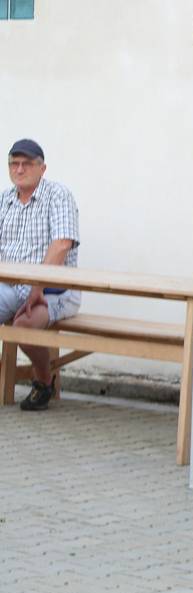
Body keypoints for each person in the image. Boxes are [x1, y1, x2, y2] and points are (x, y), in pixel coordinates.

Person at [1, 139, 81, 411]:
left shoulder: (58, 195)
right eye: (14, 163)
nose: (19, 169)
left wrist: (37, 286)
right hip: (9, 286)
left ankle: (44, 381)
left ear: (42, 168)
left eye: (27, 163)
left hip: (54, 288)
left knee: (23, 328)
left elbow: (61, 245)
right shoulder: (4, 200)